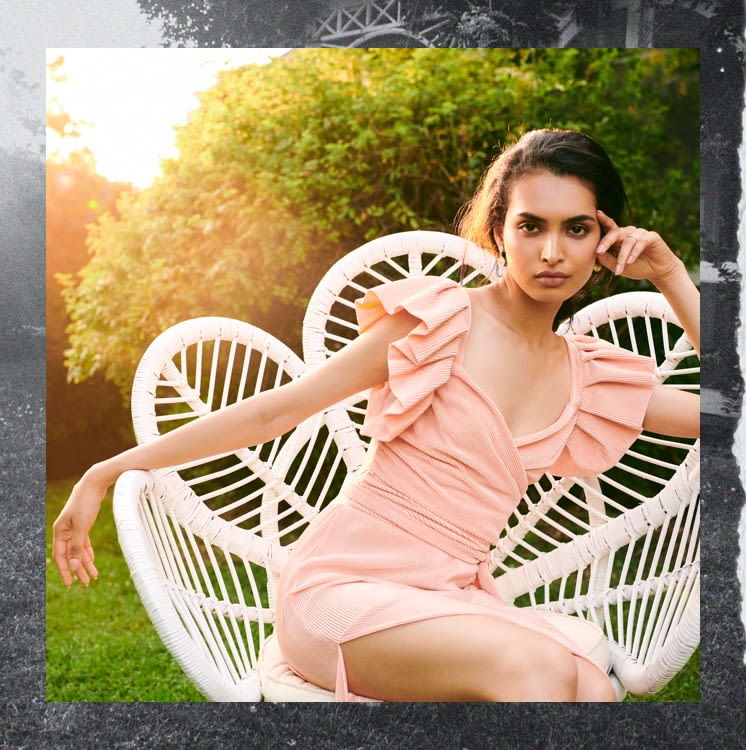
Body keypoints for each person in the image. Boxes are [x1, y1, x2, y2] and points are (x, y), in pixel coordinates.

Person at [53, 128, 700, 702]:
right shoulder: (441, 320)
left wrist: (670, 274)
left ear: (605, 237)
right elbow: (274, 412)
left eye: (576, 228)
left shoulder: (590, 376)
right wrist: (106, 470)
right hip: (342, 587)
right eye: (532, 226)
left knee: (590, 689)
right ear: (499, 230)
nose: (553, 251)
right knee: (537, 669)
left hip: (447, 598)